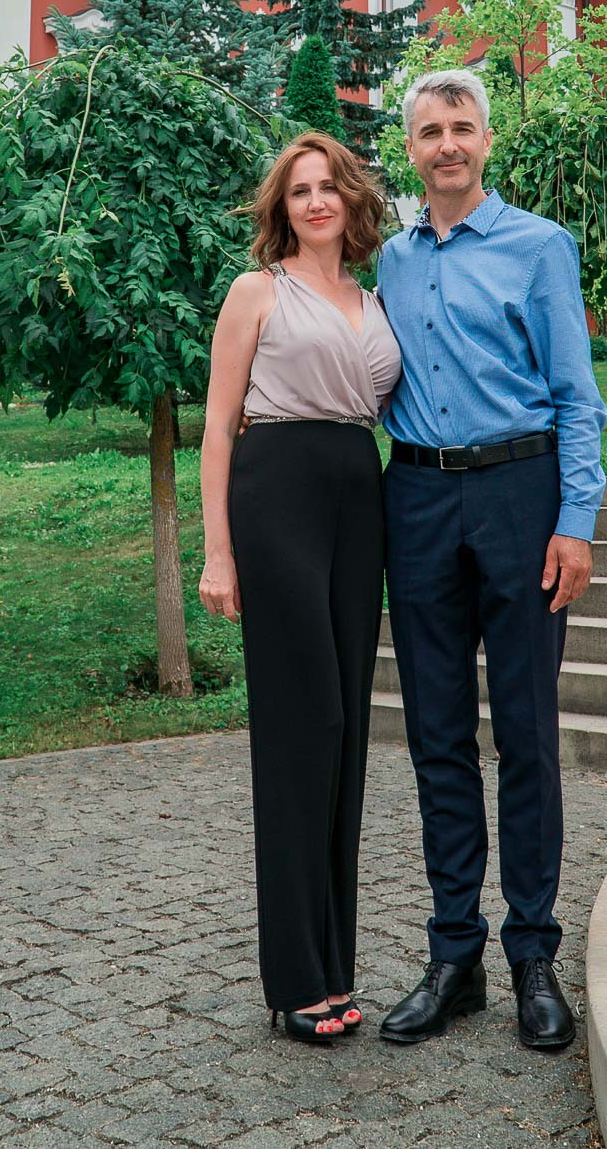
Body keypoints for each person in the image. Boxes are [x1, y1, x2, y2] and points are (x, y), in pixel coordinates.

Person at [376, 69, 607, 1052]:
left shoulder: (538, 246)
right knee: (435, 736)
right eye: (429, 131)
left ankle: (533, 957)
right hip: (417, 498)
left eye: (461, 127)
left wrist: (575, 519)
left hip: (521, 496)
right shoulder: (387, 259)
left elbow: (576, 394)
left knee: (525, 734)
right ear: (411, 149)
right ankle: (453, 958)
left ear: (485, 139)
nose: (446, 145)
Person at [199, 131, 401, 1046]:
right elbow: (217, 427)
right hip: (275, 491)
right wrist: (218, 552)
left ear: (350, 199)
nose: (315, 201)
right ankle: (293, 978)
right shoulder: (257, 291)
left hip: (359, 495)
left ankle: (333, 966)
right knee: (303, 723)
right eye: (298, 190)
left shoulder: (374, 298)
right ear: (281, 208)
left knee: (348, 727)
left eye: (328, 187)